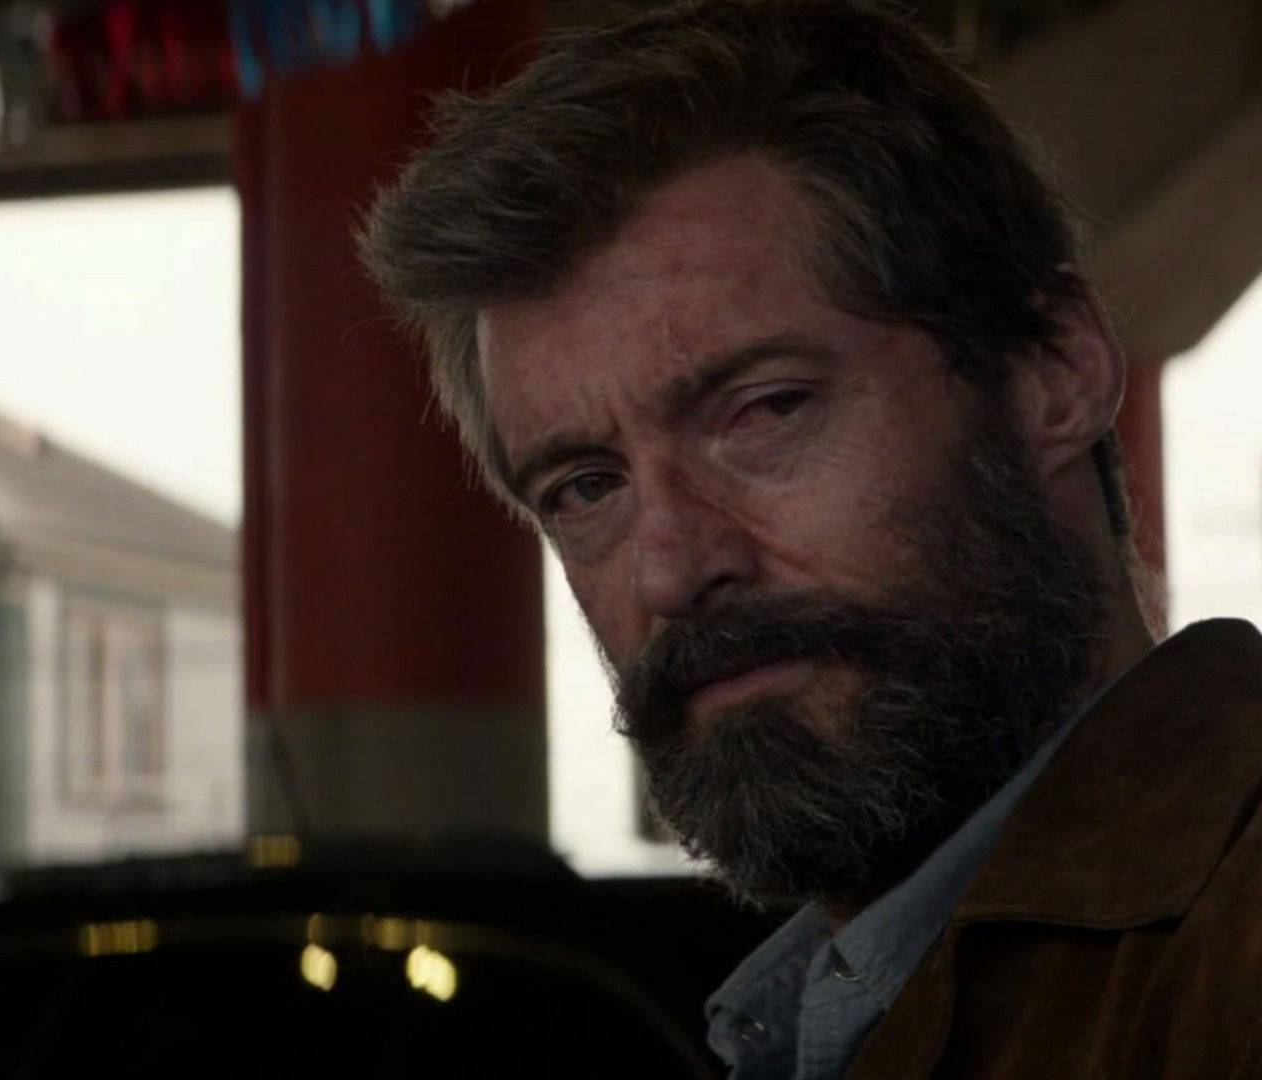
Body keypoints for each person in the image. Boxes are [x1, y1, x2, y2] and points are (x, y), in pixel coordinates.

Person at [359, 2, 1262, 1078]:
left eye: (765, 410)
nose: (670, 567)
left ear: (1053, 372)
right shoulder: (827, 1010)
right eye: (586, 486)